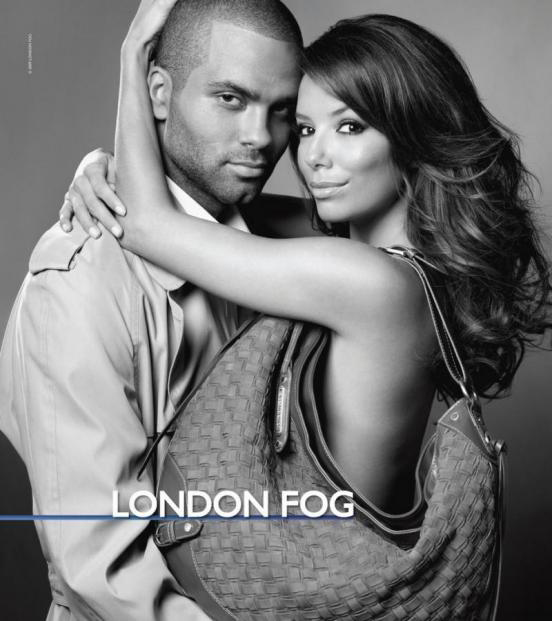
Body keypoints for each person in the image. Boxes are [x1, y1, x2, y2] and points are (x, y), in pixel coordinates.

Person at [64, 0, 551, 521]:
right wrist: (104, 167)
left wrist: (134, 54)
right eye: (304, 129)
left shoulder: (369, 283)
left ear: (412, 135)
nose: (314, 157)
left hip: (321, 565)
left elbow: (146, 224)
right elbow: (203, 202)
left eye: (350, 127)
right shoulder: (386, 264)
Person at [0, 1, 309, 619]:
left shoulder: (280, 243)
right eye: (231, 99)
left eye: (281, 110)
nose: (259, 137)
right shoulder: (76, 285)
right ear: (159, 93)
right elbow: (103, 571)